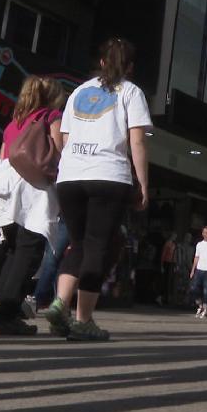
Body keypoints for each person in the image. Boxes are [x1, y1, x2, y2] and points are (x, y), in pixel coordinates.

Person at [44, 38, 152, 341]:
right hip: (108, 175)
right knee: (96, 246)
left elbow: (64, 138)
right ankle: (84, 320)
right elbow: (137, 141)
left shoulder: (78, 92)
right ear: (129, 67)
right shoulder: (132, 92)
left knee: (77, 244)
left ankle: (59, 302)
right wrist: (142, 182)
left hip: (70, 176)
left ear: (102, 62)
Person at [0, 75, 66, 334]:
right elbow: (60, 150)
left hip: (6, 186)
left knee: (15, 249)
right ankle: (4, 311)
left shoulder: (13, 123)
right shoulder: (51, 117)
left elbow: (3, 156)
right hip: (33, 189)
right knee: (29, 251)